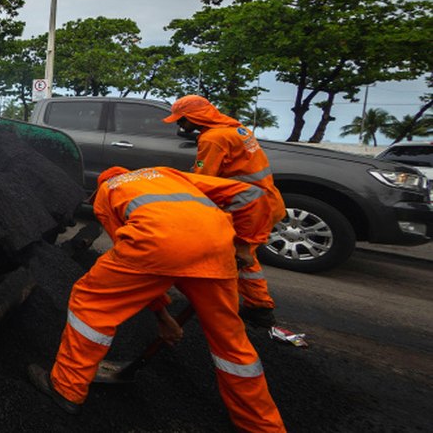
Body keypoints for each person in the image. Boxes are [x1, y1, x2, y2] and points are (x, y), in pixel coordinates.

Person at [28, 166, 285, 432]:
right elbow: (252, 194)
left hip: (159, 243)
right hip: (217, 246)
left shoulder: (108, 192)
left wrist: (162, 315)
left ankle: (66, 388)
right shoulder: (165, 174)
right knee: (230, 341)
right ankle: (263, 425)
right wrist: (244, 243)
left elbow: (136, 265)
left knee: (91, 303)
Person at [164, 94, 287, 328]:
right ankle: (256, 305)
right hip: (265, 200)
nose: (179, 125)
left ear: (195, 116)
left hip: (249, 208)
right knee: (244, 256)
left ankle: (257, 308)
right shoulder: (236, 128)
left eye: (182, 120)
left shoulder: (213, 138)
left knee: (241, 257)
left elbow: (204, 180)